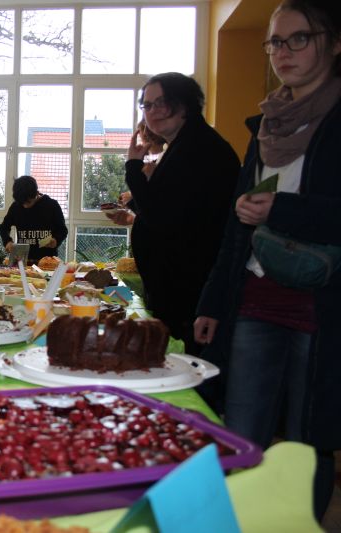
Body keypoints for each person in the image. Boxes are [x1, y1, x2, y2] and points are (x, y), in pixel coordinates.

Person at [194, 0, 341, 521]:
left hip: (323, 305)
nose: (283, 52)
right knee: (242, 430)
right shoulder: (266, 127)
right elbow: (237, 228)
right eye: (276, 42)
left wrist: (283, 209)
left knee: (307, 441)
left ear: (334, 43)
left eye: (299, 38)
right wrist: (213, 301)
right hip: (255, 296)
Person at [124, 72, 240, 357]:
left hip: (191, 289)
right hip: (181, 288)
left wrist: (133, 168)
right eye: (147, 105)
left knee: (193, 367)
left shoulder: (198, 148)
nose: (154, 111)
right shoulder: (183, 146)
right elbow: (166, 208)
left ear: (186, 103)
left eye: (162, 102)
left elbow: (161, 216)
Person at [105, 120, 167, 227]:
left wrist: (134, 166)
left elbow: (160, 213)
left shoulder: (168, 160)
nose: (142, 143)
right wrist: (132, 218)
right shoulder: (166, 155)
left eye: (142, 138)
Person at [0, 176, 68, 264]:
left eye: (28, 202)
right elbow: (3, 227)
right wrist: (7, 241)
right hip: (22, 261)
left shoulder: (52, 205)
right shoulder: (16, 207)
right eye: (22, 203)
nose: (25, 206)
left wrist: (56, 240)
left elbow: (62, 230)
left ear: (36, 193)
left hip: (47, 262)